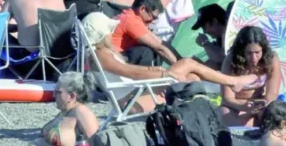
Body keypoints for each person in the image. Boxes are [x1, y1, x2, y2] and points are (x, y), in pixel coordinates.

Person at [82, 12, 258, 114]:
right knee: (188, 63)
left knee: (192, 75)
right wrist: (165, 74)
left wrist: (155, 68)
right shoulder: (98, 55)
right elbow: (131, 74)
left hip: (138, 93)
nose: (110, 34)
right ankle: (233, 82)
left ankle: (218, 100)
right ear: (100, 33)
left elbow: (130, 70)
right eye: (107, 31)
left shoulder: (102, 53)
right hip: (133, 101)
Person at [220, 26, 282, 127]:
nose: (254, 58)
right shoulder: (231, 61)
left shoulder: (271, 59)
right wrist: (244, 108)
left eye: (257, 52)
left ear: (263, 50)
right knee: (224, 114)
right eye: (249, 53)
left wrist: (263, 107)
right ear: (241, 50)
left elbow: (272, 92)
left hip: (259, 103)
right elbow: (227, 98)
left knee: (277, 116)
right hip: (235, 105)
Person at [111, 0, 177, 67]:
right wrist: (180, 68)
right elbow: (159, 49)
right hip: (115, 59)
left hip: (121, 56)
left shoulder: (132, 17)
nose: (153, 21)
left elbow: (159, 42)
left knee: (159, 47)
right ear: (142, 9)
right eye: (153, 17)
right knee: (146, 52)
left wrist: (181, 61)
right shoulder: (132, 21)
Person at [36, 72, 99, 146]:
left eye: (57, 92)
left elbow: (97, 143)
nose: (53, 95)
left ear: (72, 96)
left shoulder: (81, 112)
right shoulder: (67, 111)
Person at [192, 3, 228, 69]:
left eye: (204, 27)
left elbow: (224, 59)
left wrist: (206, 43)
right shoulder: (220, 39)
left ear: (214, 21)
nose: (205, 32)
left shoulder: (233, 34)